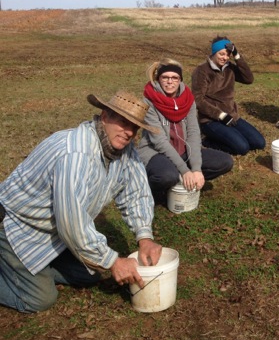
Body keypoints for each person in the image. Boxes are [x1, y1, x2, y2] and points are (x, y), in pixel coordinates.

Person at [0, 90, 163, 313]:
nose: (128, 132)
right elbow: (71, 221)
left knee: (91, 273)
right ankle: (18, 268)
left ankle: (36, 268)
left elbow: (136, 192)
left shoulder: (125, 149)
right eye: (123, 122)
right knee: (40, 299)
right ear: (105, 116)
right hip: (16, 226)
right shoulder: (75, 153)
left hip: (52, 230)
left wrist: (144, 236)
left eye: (134, 127)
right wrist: (114, 262)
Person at [137, 58, 234, 204]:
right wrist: (184, 170)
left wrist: (196, 169)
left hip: (183, 151)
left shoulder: (188, 100)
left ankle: (183, 180)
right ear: (158, 79)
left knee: (225, 161)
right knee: (167, 176)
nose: (170, 82)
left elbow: (194, 133)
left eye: (175, 78)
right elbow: (159, 142)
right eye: (165, 77)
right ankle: (149, 191)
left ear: (180, 80)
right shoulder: (148, 102)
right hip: (157, 152)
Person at [191, 36, 266, 156]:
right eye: (221, 54)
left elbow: (249, 79)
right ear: (214, 52)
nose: (225, 58)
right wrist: (220, 115)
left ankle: (230, 136)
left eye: (228, 54)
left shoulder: (229, 68)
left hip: (232, 117)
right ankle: (206, 140)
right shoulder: (202, 71)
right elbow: (198, 99)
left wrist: (237, 56)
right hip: (211, 120)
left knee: (259, 143)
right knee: (242, 148)